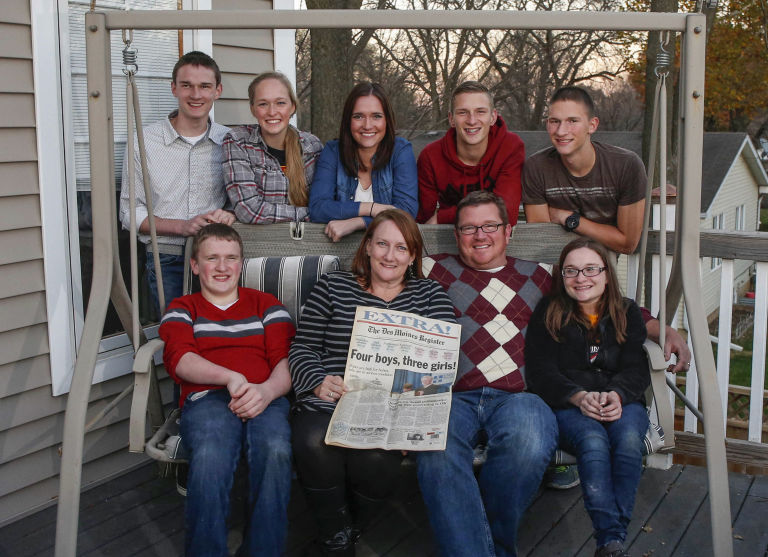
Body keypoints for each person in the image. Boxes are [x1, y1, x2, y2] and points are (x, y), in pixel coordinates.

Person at [418, 191, 691, 557]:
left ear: (508, 231)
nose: (480, 235)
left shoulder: (540, 275)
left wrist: (664, 331)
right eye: (468, 228)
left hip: (521, 397)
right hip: (452, 395)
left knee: (529, 446)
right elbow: (386, 284)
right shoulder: (432, 269)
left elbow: (603, 303)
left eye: (490, 226)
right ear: (457, 235)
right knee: (433, 448)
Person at [289, 209, 456, 555]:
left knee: (376, 457)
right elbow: (303, 346)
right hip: (332, 396)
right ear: (367, 247)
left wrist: (415, 415)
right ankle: (335, 534)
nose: (389, 256)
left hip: (397, 403)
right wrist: (318, 381)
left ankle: (356, 522)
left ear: (412, 256)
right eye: (382, 244)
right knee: (313, 440)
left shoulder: (430, 294)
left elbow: (441, 365)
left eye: (400, 248)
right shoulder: (334, 285)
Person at [159, 224, 293, 557]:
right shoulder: (183, 307)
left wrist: (266, 392)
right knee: (210, 453)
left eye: (231, 258)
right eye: (212, 258)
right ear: (195, 265)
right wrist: (229, 377)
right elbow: (180, 359)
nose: (222, 267)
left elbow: (287, 361)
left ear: (241, 263)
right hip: (207, 398)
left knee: (275, 449)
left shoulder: (266, 304)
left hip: (267, 395)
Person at [525, 238, 651, 557]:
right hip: (570, 405)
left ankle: (611, 540)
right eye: (571, 271)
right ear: (562, 276)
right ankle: (611, 539)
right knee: (593, 442)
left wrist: (618, 394)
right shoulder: (550, 312)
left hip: (622, 401)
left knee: (629, 441)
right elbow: (541, 372)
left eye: (591, 269)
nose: (581, 278)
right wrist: (577, 396)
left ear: (607, 274)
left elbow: (637, 367)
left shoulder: (627, 312)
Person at [119, 50, 235, 310]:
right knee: (177, 337)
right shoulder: (143, 141)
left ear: (217, 90)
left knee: (221, 336)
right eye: (187, 86)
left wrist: (231, 216)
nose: (196, 95)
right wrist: (182, 227)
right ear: (174, 88)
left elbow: (240, 200)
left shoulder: (230, 141)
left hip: (221, 259)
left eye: (205, 86)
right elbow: (129, 213)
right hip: (166, 260)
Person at [522, 86, 646, 255]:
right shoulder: (536, 167)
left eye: (572, 121)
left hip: (602, 263)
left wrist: (568, 219)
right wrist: (605, 234)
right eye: (555, 121)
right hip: (553, 262)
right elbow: (542, 241)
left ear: (592, 125)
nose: (561, 131)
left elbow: (627, 244)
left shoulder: (626, 165)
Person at [309, 82, 418, 242]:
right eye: (358, 116)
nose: (367, 125)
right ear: (348, 120)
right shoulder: (333, 152)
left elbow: (406, 211)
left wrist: (358, 222)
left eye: (376, 116)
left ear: (387, 120)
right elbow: (317, 208)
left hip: (388, 253)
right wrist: (372, 208)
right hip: (338, 250)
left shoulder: (400, 151)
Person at [416, 81, 525, 226]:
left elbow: (506, 214)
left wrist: (442, 217)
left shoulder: (510, 147)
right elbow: (425, 219)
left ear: (493, 117)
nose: (472, 121)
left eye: (480, 111)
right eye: (463, 112)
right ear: (451, 119)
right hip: (446, 241)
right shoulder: (431, 156)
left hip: (495, 242)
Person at [223, 71, 323, 224]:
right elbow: (248, 210)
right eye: (263, 104)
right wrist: (317, 213)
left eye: (280, 103)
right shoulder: (238, 141)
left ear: (292, 107)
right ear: (253, 109)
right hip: (260, 244)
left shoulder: (312, 146)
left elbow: (327, 200)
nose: (271, 112)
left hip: (306, 243)